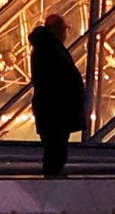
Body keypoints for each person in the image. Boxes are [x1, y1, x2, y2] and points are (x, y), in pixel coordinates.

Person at [27, 15, 88, 182]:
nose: (65, 33)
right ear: (56, 29)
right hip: (57, 110)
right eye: (64, 29)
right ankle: (53, 184)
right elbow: (60, 80)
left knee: (55, 149)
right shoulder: (51, 49)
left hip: (53, 110)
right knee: (56, 150)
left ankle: (53, 180)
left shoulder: (45, 48)